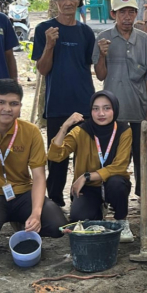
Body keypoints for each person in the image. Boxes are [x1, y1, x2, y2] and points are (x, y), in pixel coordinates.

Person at [0, 79, 67, 251]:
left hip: (23, 193)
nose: (7, 109)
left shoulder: (30, 131)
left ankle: (24, 220)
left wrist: (36, 213)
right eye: (1, 102)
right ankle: (0, 222)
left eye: (13, 104)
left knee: (57, 226)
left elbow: (38, 175)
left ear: (20, 106)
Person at [33, 0, 96, 207]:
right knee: (57, 158)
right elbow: (42, 69)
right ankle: (55, 203)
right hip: (57, 104)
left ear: (79, 0)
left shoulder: (86, 32)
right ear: (56, 2)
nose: (67, 2)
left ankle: (82, 201)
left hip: (84, 103)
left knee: (85, 157)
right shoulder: (44, 30)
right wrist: (49, 45)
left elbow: (89, 66)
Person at [48, 91, 134, 242]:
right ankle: (98, 212)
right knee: (78, 218)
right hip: (88, 188)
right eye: (96, 109)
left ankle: (121, 221)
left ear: (115, 109)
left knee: (117, 183)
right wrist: (65, 125)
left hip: (111, 184)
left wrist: (87, 176)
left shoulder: (124, 130)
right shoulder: (81, 130)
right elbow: (55, 156)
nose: (101, 113)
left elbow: (120, 166)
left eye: (107, 108)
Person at [93, 0, 147, 197]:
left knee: (141, 156)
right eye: (122, 12)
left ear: (136, 14)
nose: (127, 17)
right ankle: (113, 197)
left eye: (131, 12)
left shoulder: (144, 39)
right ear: (113, 14)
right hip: (112, 112)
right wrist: (102, 54)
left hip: (138, 108)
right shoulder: (103, 38)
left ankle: (143, 197)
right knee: (113, 156)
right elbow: (101, 75)